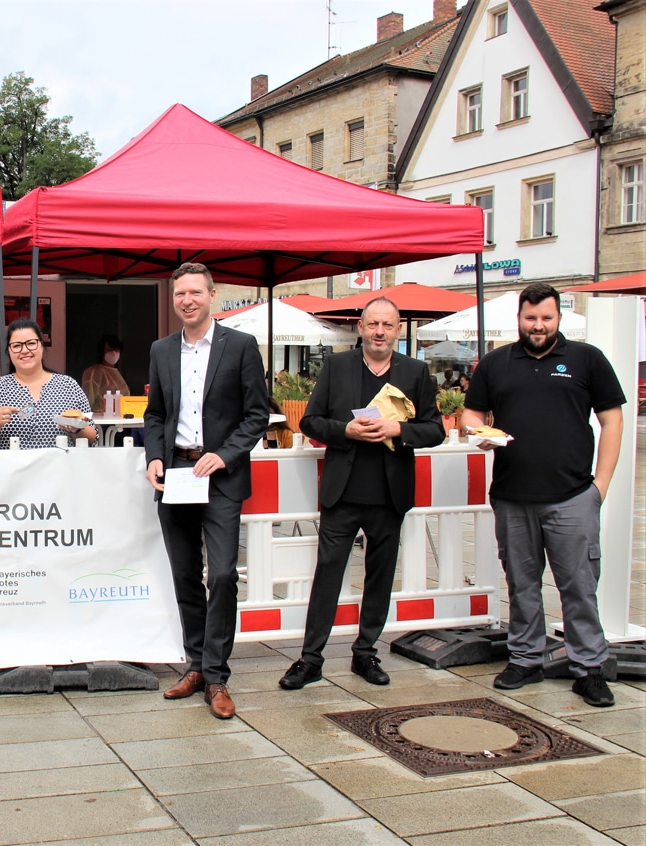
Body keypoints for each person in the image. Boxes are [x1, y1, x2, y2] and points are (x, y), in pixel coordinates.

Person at [463, 282, 625, 707]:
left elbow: (612, 420)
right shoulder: (496, 363)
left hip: (572, 496)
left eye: (547, 318)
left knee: (579, 586)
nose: (538, 326)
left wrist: (601, 485)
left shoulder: (587, 359)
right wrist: (479, 433)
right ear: (519, 318)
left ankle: (589, 669)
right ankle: (525, 659)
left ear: (559, 318)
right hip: (513, 496)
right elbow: (472, 412)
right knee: (521, 585)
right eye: (530, 318)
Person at [279, 298, 443, 691]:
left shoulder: (417, 372)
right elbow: (310, 421)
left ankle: (365, 651)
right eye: (373, 324)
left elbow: (434, 429)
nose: (380, 331)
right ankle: (310, 658)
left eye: (387, 324)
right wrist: (346, 431)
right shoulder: (337, 367)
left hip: (390, 493)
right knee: (328, 575)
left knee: (380, 576)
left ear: (398, 330)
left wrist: (398, 431)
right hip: (343, 492)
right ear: (361, 328)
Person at [144, 262, 268, 719]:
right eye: (180, 295)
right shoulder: (161, 350)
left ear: (212, 295)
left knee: (221, 576)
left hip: (220, 474)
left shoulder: (241, 346)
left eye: (195, 293)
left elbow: (257, 414)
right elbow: (155, 413)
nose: (187, 301)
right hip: (176, 470)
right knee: (184, 575)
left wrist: (226, 454)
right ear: (174, 299)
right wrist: (154, 456)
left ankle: (217, 676)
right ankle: (196, 664)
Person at [0, 319, 98, 449]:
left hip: (59, 468)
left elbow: (92, 437)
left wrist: (77, 429)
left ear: (42, 346)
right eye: (16, 346)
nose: (25, 350)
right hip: (11, 468)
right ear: (8, 351)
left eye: (31, 343)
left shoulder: (68, 385)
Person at [80, 334, 131, 412]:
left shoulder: (117, 373)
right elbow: (86, 401)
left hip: (120, 420)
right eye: (110, 350)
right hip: (101, 420)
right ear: (102, 352)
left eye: (116, 350)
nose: (114, 353)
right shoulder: (94, 372)